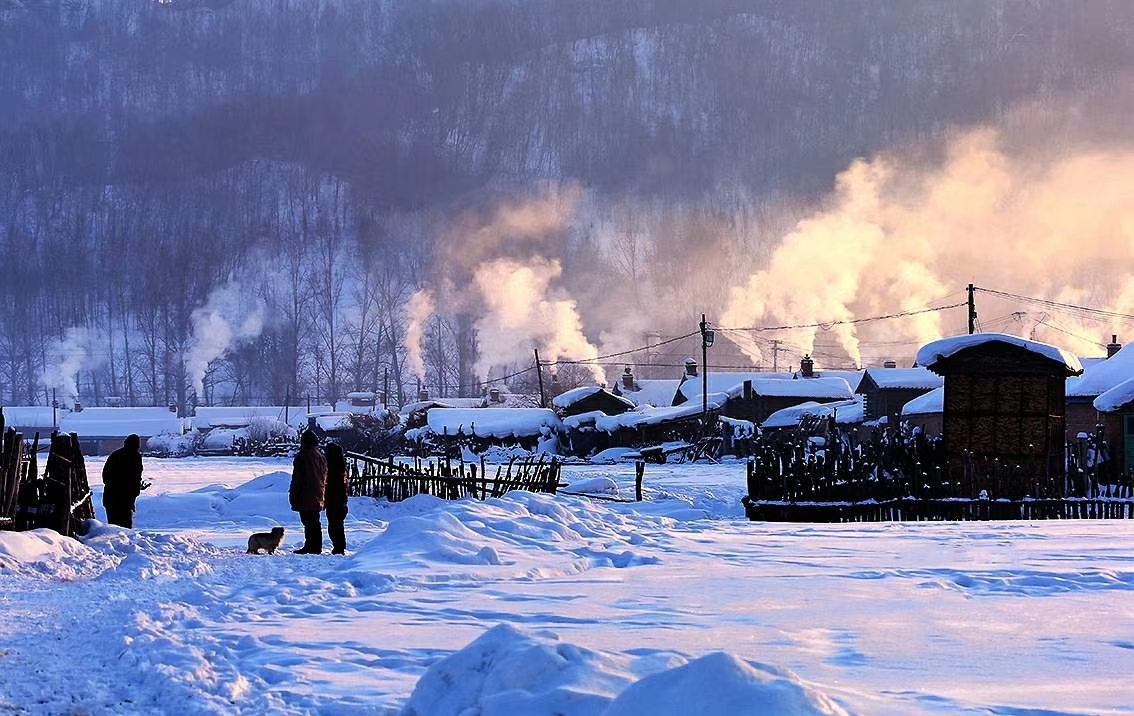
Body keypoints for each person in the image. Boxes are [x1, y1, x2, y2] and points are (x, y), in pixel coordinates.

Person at [289, 430, 327, 554]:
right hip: (318, 492)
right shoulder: (321, 456)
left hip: (305, 493)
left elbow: (298, 478)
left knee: (308, 521)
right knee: (315, 521)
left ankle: (311, 546)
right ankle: (316, 546)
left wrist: (293, 494)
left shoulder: (302, 456)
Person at [102, 434, 147, 528]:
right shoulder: (135, 457)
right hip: (125, 498)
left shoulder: (115, 455)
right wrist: (135, 490)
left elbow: (105, 475)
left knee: (113, 526)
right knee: (125, 526)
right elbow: (134, 477)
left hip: (111, 497)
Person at [323, 442, 349, 555]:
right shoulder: (341, 467)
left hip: (334, 501)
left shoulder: (332, 468)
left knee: (334, 526)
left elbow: (330, 486)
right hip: (341, 501)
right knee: (337, 525)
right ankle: (339, 546)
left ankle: (338, 547)